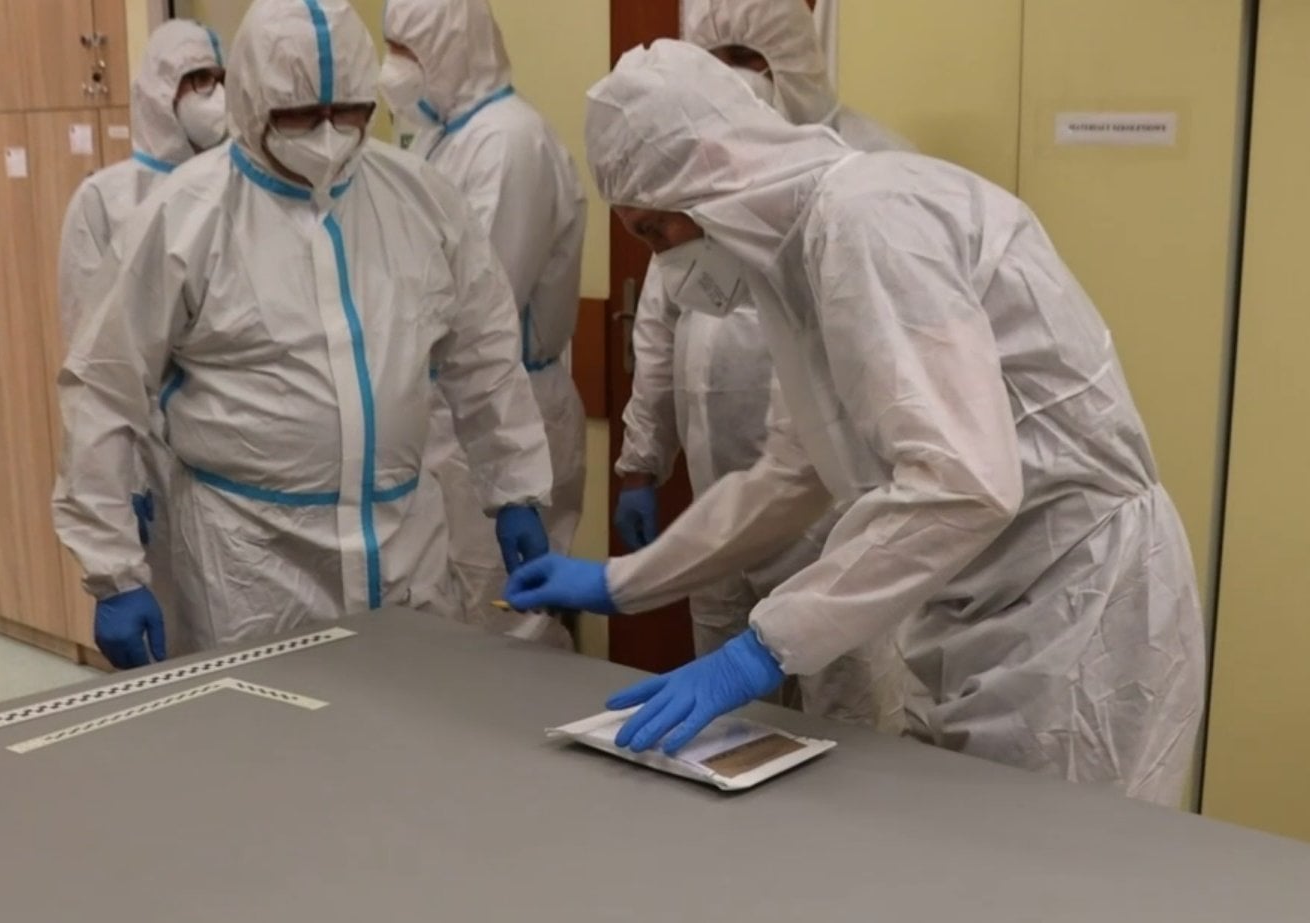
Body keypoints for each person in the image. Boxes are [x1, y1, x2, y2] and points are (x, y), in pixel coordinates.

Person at [508, 40, 1206, 806]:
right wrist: (624, 580)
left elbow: (965, 484)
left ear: (710, 172)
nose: (661, 264)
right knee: (977, 840)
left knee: (1057, 850)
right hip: (984, 598)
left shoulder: (870, 221)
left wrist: (763, 647)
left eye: (655, 232)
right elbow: (792, 472)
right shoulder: (794, 264)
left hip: (1077, 602)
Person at [54, 0, 553, 670]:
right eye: (299, 115)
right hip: (250, 560)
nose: (327, 134)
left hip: (402, 544)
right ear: (252, 100)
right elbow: (105, 384)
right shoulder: (184, 216)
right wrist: (113, 568)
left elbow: (484, 353)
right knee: (267, 727)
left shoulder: (421, 199)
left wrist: (515, 488)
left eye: (348, 111)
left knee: (411, 715)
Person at [613, 0, 912, 724]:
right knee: (724, 707)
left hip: (835, 499)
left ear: (794, 63)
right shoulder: (691, 171)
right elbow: (659, 321)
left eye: (747, 60)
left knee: (843, 692)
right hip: (725, 481)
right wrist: (641, 460)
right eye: (712, 66)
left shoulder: (868, 169)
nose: (732, 83)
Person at [380, 0, 587, 648]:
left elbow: (481, 306)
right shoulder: (445, 136)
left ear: (450, 46)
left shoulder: (507, 141)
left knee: (505, 625)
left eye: (406, 50)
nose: (391, 68)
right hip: (450, 414)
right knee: (458, 622)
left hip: (501, 408)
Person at [57, 19, 228, 648]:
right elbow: (94, 363)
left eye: (220, 78)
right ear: (160, 90)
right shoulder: (105, 200)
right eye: (196, 80)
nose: (214, 95)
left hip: (225, 454)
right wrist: (122, 483)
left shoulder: (237, 191)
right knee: (175, 636)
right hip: (152, 454)